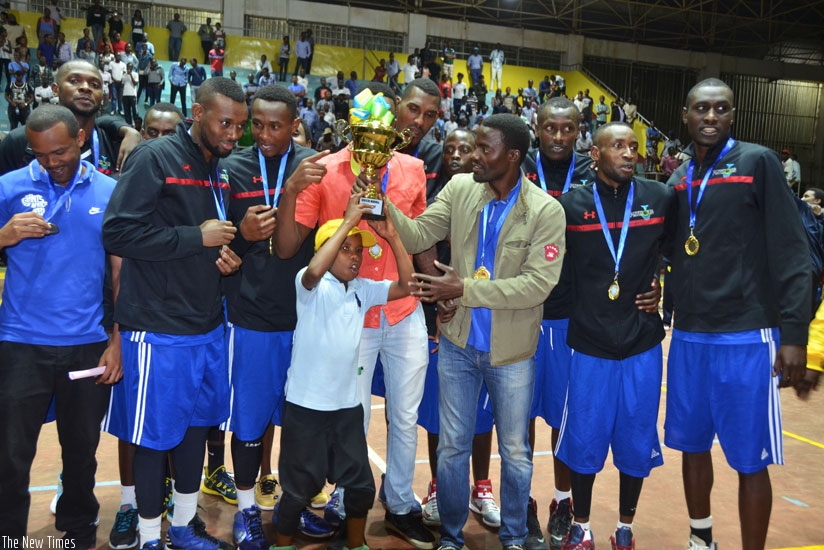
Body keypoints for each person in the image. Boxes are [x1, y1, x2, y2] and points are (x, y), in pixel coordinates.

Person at [384, 113, 565, 550]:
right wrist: (382, 203)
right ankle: (450, 536)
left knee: (517, 453)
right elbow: (419, 233)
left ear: (514, 155)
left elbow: (537, 285)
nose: (473, 156)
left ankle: (516, 537)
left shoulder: (545, 210)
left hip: (512, 352)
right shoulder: (462, 188)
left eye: (485, 149)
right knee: (451, 449)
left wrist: (464, 287)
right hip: (459, 345)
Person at [275, 82, 437, 550]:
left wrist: (434, 292)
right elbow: (293, 247)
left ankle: (401, 503)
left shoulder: (412, 169)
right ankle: (347, 503)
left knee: (405, 416)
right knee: (355, 416)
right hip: (353, 311)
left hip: (403, 307)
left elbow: (421, 235)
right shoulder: (324, 167)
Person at [664, 78, 815, 550]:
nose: (710, 117)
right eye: (701, 109)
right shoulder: (679, 178)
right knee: (691, 444)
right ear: (685, 115)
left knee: (751, 459)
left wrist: (795, 334)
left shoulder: (758, 162)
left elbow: (793, 252)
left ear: (733, 116)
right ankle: (700, 538)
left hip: (747, 334)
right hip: (688, 333)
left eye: (721, 109)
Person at [101, 77, 246, 550]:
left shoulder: (218, 170)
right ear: (198, 114)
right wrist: (195, 238)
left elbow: (208, 238)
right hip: (158, 330)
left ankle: (183, 528)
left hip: (207, 326)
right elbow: (118, 233)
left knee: (193, 431)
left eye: (239, 126)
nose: (233, 134)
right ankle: (147, 538)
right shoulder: (154, 157)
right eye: (225, 122)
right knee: (155, 439)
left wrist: (224, 259)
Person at [0, 104, 120, 549]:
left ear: (81, 140)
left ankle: (79, 528)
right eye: (40, 154)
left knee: (82, 452)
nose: (51, 163)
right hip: (19, 343)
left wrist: (117, 338)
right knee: (11, 455)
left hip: (87, 345)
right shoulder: (8, 187)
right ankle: (9, 535)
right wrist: (3, 236)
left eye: (60, 152)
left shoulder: (110, 190)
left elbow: (120, 271)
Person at [221, 85, 334, 547]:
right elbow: (221, 241)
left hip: (309, 318)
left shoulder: (316, 167)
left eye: (275, 126)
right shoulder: (232, 169)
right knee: (250, 421)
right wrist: (238, 244)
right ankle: (247, 510)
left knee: (305, 422)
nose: (264, 134)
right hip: (251, 318)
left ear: (294, 126)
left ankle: (298, 503)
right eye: (258, 125)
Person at [271, 200, 414, 550]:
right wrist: (350, 219)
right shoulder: (310, 286)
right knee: (298, 489)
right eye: (345, 248)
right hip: (306, 407)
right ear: (325, 249)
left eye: (358, 251)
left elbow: (407, 286)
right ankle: (283, 544)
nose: (355, 257)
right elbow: (313, 271)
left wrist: (394, 238)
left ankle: (355, 544)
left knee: (361, 486)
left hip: (347, 408)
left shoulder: (362, 289)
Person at [555, 122, 671, 550]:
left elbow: (681, 250)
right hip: (589, 342)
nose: (628, 153)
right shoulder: (571, 206)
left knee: (636, 438)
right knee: (584, 436)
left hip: (642, 341)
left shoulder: (658, 198)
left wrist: (663, 286)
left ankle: (625, 529)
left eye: (634, 147)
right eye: (617, 146)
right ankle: (581, 526)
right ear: (596, 154)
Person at [415, 128, 502, 533]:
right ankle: (438, 486)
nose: (454, 155)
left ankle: (481, 485)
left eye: (464, 149)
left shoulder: (498, 196)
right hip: (443, 320)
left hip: (486, 317)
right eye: (448, 148)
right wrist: (439, 296)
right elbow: (421, 243)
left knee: (482, 415)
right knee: (439, 413)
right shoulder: (441, 194)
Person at [520, 97, 596, 550]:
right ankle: (522, 500)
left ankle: (563, 502)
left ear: (579, 130)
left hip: (572, 314)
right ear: (537, 126)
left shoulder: (592, 170)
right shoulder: (517, 162)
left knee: (564, 417)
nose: (559, 137)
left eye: (568, 129)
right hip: (522, 310)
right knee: (519, 415)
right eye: (551, 128)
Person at [0, 59, 141, 177]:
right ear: (55, 89)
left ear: (102, 96)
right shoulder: (18, 142)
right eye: (74, 81)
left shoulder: (116, 143)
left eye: (95, 85)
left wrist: (131, 131)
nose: (86, 88)